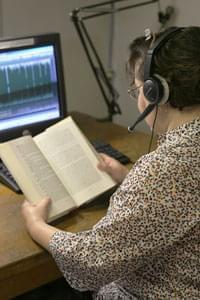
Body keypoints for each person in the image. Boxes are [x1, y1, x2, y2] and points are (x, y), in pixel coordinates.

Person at [21, 26, 200, 299]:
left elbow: (91, 263)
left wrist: (36, 226)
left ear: (156, 94)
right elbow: (182, 199)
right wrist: (128, 178)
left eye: (138, 89)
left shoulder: (163, 170)